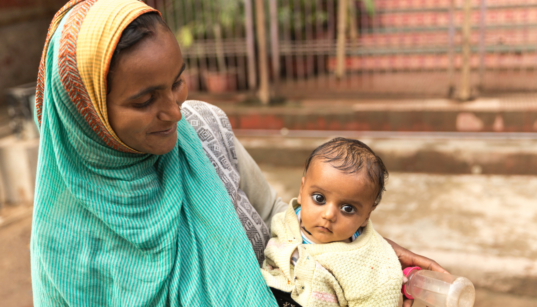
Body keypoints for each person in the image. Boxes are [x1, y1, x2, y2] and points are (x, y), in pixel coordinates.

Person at [31, 0, 447, 306]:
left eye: (178, 81)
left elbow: (273, 218)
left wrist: (357, 252)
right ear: (88, 114)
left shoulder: (204, 129)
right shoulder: (65, 246)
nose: (175, 111)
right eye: (144, 101)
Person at [262, 138, 402, 307]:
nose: (328, 215)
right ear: (302, 190)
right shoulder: (286, 223)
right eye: (319, 198)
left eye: (347, 208)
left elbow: (379, 295)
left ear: (367, 216)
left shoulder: (365, 261)